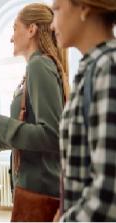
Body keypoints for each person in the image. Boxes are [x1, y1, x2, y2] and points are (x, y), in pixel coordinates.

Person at [0, 3, 68, 221]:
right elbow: (32, 133)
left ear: (31, 29)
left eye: (14, 28)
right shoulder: (37, 68)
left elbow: (51, 135)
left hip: (39, 190)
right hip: (37, 187)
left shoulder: (39, 65)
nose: (11, 37)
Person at [52, 0, 116, 221]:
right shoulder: (92, 68)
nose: (52, 25)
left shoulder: (108, 68)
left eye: (57, 9)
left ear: (84, 7)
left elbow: (108, 193)